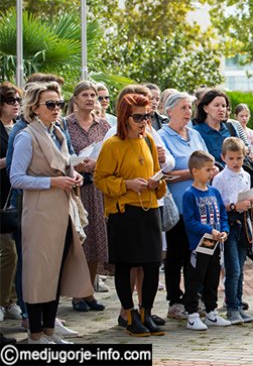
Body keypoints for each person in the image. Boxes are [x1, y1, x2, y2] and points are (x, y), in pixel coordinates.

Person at [10, 82, 91, 344]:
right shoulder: (26, 136)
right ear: (34, 108)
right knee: (38, 273)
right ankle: (35, 334)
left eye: (58, 103)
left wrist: (73, 175)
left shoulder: (57, 133)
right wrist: (52, 183)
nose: (56, 109)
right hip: (39, 213)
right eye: (50, 104)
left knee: (57, 271)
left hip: (63, 211)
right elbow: (16, 178)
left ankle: (49, 330)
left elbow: (64, 166)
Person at [94, 93, 167, 337]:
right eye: (138, 117)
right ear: (125, 117)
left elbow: (158, 172)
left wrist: (157, 184)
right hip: (123, 212)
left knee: (152, 263)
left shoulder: (147, 142)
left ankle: (145, 311)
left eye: (147, 116)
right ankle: (128, 312)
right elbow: (100, 180)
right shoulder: (112, 144)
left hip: (149, 208)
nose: (144, 121)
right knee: (125, 264)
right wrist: (127, 184)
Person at [159, 92, 208, 320]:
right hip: (177, 207)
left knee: (197, 254)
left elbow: (207, 162)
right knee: (176, 256)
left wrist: (211, 170)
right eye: (183, 108)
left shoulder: (196, 134)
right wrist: (194, 173)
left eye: (190, 108)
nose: (188, 112)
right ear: (169, 112)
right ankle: (174, 300)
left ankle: (193, 297)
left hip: (199, 206)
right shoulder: (162, 136)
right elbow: (164, 173)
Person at [65, 80, 110, 313]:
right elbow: (62, 154)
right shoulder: (66, 124)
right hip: (76, 187)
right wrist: (76, 165)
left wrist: (97, 162)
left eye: (93, 94)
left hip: (98, 188)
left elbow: (110, 153)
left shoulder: (103, 125)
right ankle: (76, 293)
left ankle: (89, 292)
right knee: (79, 241)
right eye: (85, 94)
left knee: (95, 239)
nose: (91, 98)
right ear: (75, 98)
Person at [181, 150, 232, 330]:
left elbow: (223, 215)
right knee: (196, 278)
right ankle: (192, 314)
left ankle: (212, 312)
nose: (212, 173)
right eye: (208, 169)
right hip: (200, 244)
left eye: (213, 169)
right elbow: (190, 222)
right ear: (195, 171)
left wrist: (224, 231)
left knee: (212, 277)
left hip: (215, 242)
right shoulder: (190, 194)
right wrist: (210, 230)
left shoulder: (214, 192)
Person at [211, 138, 253, 323]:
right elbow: (216, 203)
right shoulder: (220, 178)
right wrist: (233, 206)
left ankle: (238, 304)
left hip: (243, 223)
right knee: (233, 269)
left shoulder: (245, 175)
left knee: (241, 267)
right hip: (228, 224)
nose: (236, 162)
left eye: (239, 158)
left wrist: (252, 201)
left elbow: (247, 194)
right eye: (231, 158)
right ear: (223, 158)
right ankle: (231, 307)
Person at [0, 82, 22, 323]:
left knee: (17, 252)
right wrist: (9, 160)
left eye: (18, 100)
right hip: (1, 197)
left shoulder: (19, 128)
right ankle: (3, 301)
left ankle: (12, 301)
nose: (16, 104)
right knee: (9, 252)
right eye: (10, 101)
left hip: (17, 199)